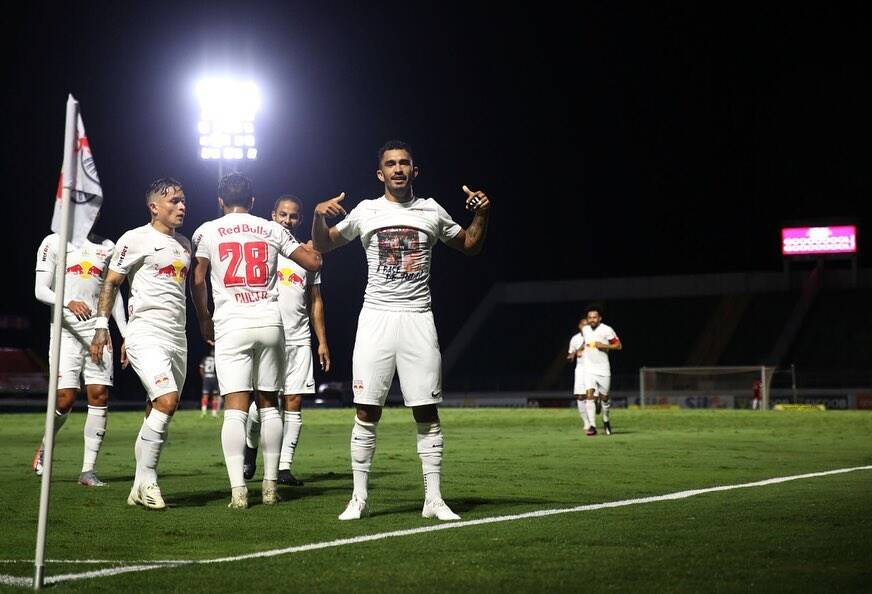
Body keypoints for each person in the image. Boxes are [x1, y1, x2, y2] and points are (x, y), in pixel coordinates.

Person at [312, 139, 491, 521]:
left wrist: (483, 215)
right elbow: (323, 245)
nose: (397, 169)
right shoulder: (366, 211)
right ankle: (358, 498)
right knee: (366, 410)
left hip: (417, 318)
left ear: (414, 171)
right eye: (390, 164)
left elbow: (471, 245)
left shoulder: (431, 210)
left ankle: (434, 499)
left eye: (404, 163)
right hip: (376, 318)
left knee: (426, 409)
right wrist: (317, 215)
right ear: (380, 174)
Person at [191, 174, 321, 509]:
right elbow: (313, 262)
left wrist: (205, 317)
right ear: (252, 201)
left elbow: (198, 277)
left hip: (231, 323)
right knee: (269, 405)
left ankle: (238, 492)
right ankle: (270, 486)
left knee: (235, 409)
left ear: (221, 200)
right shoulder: (271, 228)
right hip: (269, 321)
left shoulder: (206, 230)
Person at [89, 177, 191, 509]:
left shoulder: (185, 245)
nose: (181, 206)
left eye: (182, 200)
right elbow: (112, 281)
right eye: (174, 201)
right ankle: (149, 483)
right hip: (146, 332)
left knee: (155, 407)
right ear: (154, 207)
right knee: (167, 399)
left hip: (178, 337)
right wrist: (103, 326)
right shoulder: (134, 239)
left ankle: (137, 486)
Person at [243, 195, 331, 487]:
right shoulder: (262, 248)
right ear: (272, 215)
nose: (287, 220)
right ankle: (250, 446)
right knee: (262, 403)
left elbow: (315, 301)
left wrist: (322, 341)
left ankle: (284, 467)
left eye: (293, 216)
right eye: (282, 214)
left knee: (294, 401)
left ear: (300, 220)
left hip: (299, 338)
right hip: (268, 336)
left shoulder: (308, 254)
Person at [33, 227, 128, 486]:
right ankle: (45, 446)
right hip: (65, 332)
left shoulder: (108, 246)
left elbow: (114, 294)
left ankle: (88, 471)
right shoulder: (53, 242)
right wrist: (68, 302)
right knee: (65, 399)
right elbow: (40, 290)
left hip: (98, 331)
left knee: (99, 394)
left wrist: (125, 334)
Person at [580, 304, 622, 436]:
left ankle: (606, 420)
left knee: (604, 398)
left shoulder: (607, 330)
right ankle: (592, 426)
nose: (592, 319)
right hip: (588, 368)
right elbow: (586, 342)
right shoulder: (586, 330)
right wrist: (580, 350)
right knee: (589, 395)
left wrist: (603, 345)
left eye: (594, 317)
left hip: (603, 369)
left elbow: (619, 345)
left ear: (600, 318)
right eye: (590, 317)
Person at [566, 317, 592, 432]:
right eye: (583, 325)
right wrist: (570, 356)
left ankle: (598, 405)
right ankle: (587, 422)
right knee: (581, 396)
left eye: (587, 325)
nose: (585, 327)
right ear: (579, 326)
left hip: (594, 367)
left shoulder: (594, 336)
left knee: (594, 396)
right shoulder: (575, 339)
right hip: (581, 369)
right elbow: (570, 353)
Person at [199, 348, 221, 417]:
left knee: (205, 395)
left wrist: (204, 377)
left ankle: (204, 411)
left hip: (207, 378)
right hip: (214, 378)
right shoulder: (216, 359)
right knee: (215, 396)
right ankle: (214, 413)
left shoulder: (205, 359)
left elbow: (201, 369)